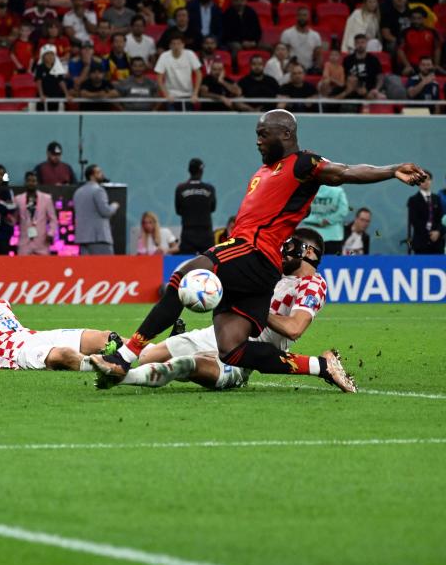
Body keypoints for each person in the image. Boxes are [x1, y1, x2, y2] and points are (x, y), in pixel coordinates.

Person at [91, 109, 427, 394]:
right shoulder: (264, 172)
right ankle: (319, 366)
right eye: (257, 135)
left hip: (252, 251)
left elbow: (346, 172)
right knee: (233, 351)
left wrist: (390, 170)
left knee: (183, 276)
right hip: (259, 269)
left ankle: (125, 355)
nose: (258, 140)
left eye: (263, 134)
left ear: (286, 133)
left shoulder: (303, 163)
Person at [99, 229, 328, 391]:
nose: (284, 251)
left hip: (245, 351)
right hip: (218, 333)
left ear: (308, 252)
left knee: (183, 366)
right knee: (148, 357)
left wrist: (254, 310)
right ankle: (123, 352)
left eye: (290, 246)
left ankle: (118, 378)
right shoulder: (270, 272)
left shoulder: (313, 285)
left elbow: (294, 328)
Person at [0, 261, 121, 371]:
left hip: (36, 336)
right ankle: (115, 370)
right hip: (15, 353)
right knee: (65, 355)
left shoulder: (2, 304)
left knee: (106, 337)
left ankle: (142, 352)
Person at [73, 164, 119, 255]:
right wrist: (114, 206)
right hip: (98, 238)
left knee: (87, 268)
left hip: (82, 238)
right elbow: (105, 212)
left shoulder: (77, 192)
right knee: (105, 267)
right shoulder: (98, 190)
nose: (102, 174)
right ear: (91, 176)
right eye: (99, 172)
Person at [174, 158, 216, 254]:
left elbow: (178, 210)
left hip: (188, 233)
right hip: (206, 233)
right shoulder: (209, 189)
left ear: (189, 170)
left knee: (186, 263)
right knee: (209, 261)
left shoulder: (180, 188)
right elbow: (213, 208)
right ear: (201, 171)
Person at [299, 175, 348, 255]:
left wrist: (315, 220)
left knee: (309, 265)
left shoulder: (307, 190)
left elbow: (300, 210)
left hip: (310, 235)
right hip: (333, 236)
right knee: (333, 265)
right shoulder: (338, 190)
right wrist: (327, 220)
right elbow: (343, 210)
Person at [15, 171, 58, 255]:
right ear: (25, 182)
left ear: (37, 182)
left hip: (42, 242)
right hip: (24, 242)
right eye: (29, 181)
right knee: (22, 267)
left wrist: (51, 233)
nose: (31, 183)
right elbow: (14, 219)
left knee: (43, 267)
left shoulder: (46, 198)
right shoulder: (18, 199)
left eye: (33, 181)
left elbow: (53, 219)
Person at [154, 33, 202, 109]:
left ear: (183, 45)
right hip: (171, 96)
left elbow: (199, 74)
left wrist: (195, 93)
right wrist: (166, 95)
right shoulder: (164, 56)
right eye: (173, 44)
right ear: (170, 45)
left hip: (188, 95)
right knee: (172, 120)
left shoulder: (190, 54)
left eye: (179, 44)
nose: (176, 46)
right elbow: (159, 79)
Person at [407, 171, 444, 254]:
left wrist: (438, 232)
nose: (426, 182)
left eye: (428, 179)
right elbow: (414, 221)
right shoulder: (413, 200)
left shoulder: (437, 198)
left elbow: (440, 218)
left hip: (437, 243)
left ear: (431, 181)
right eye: (422, 179)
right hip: (421, 243)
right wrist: (428, 234)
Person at [280, 6, 325, 72]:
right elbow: (283, 55)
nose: (302, 17)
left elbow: (319, 56)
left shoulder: (315, 35)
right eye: (300, 15)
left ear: (308, 17)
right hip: (292, 70)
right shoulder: (287, 33)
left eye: (304, 15)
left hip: (309, 69)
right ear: (296, 17)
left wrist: (317, 68)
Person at [33, 44, 69, 111]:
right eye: (48, 54)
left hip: (55, 97)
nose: (50, 56)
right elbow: (38, 81)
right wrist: (41, 95)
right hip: (43, 98)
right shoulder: (40, 67)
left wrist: (67, 94)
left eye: (52, 54)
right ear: (43, 56)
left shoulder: (58, 67)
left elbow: (61, 81)